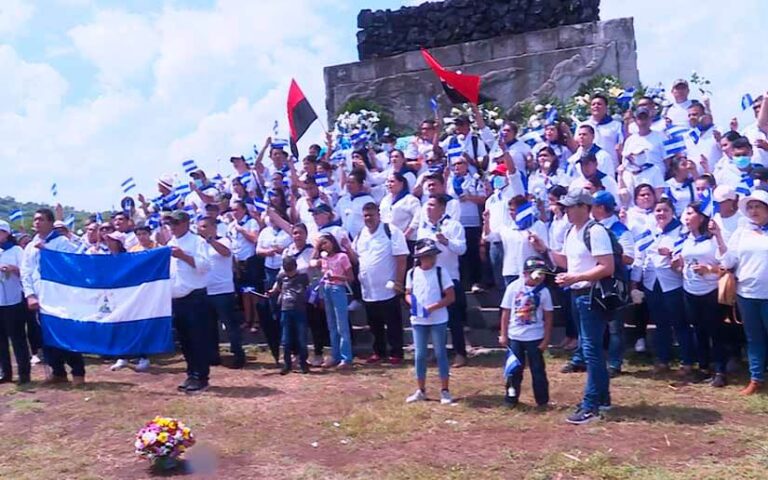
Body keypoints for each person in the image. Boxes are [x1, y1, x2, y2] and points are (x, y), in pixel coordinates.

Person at [530, 188, 614, 425]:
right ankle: (602, 398)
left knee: (591, 350)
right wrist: (544, 250)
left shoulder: (595, 231)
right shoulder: (572, 231)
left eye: (569, 206)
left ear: (583, 207)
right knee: (591, 349)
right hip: (578, 294)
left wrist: (575, 279)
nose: (565, 209)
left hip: (591, 295)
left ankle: (591, 405)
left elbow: (606, 266)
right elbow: (568, 261)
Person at [632, 197, 695, 376]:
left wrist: (671, 254)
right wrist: (634, 284)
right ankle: (662, 360)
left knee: (680, 323)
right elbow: (640, 257)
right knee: (660, 324)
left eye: (665, 210)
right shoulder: (649, 232)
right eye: (658, 210)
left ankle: (687, 362)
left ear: (672, 212)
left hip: (673, 283)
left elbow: (685, 254)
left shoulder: (682, 231)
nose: (661, 214)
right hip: (652, 284)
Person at [714, 189, 768, 395]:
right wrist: (719, 238)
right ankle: (756, 378)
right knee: (754, 338)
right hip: (747, 293)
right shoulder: (742, 232)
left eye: (759, 207)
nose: (754, 211)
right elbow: (729, 260)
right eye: (751, 207)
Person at [20, 208, 83, 385]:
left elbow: (72, 263)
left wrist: (47, 251)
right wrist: (30, 295)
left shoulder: (62, 242)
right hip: (40, 297)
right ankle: (58, 372)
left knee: (64, 334)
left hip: (59, 297)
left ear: (50, 222)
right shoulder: (31, 245)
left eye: (41, 219)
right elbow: (26, 272)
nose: (37, 223)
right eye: (35, 219)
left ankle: (78, 371)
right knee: (46, 336)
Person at [349, 203, 409, 364]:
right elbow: (356, 259)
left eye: (371, 215)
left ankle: (396, 352)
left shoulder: (391, 231)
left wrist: (399, 282)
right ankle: (378, 352)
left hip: (388, 288)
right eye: (365, 215)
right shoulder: (361, 234)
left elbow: (401, 258)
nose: (368, 218)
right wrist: (346, 248)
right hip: (368, 289)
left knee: (393, 322)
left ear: (379, 214)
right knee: (374, 324)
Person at [676, 201, 726, 387]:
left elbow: (725, 266)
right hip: (690, 289)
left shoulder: (712, 240)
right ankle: (703, 367)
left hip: (710, 290)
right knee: (698, 330)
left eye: (690, 213)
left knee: (715, 330)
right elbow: (685, 261)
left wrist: (709, 269)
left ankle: (720, 369)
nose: (687, 218)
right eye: (686, 214)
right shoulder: (686, 238)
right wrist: (679, 265)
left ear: (701, 217)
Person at [416, 195, 468, 367]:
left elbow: (461, 249)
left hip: (450, 277)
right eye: (427, 205)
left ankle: (460, 353)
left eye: (432, 205)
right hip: (430, 278)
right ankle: (438, 350)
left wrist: (446, 241)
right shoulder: (424, 228)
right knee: (434, 316)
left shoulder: (453, 225)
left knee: (454, 318)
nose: (428, 208)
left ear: (442, 208)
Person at [404, 239, 456, 404]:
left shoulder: (441, 272)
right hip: (418, 320)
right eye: (427, 256)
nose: (431, 259)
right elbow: (407, 293)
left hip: (439, 319)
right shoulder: (412, 273)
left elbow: (450, 297)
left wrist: (432, 308)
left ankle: (445, 390)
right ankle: (421, 390)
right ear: (420, 257)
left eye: (433, 255)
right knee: (419, 355)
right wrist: (413, 304)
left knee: (440, 353)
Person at [499, 256, 553, 408]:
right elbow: (506, 312)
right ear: (525, 273)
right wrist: (503, 334)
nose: (540, 277)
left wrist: (546, 340)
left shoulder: (544, 292)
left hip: (535, 337)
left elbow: (548, 316)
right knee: (514, 370)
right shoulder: (513, 288)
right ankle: (511, 398)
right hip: (515, 336)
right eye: (536, 273)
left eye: (542, 274)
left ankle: (542, 401)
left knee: (538, 370)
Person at [590, 191, 634, 377]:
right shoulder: (592, 228)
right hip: (596, 280)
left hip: (615, 282)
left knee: (616, 326)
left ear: (601, 207)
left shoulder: (620, 230)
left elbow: (629, 258)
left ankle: (615, 363)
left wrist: (610, 253)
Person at [166, 211, 211, 393]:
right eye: (171, 224)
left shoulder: (197, 241)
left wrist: (184, 256)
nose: (173, 227)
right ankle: (191, 373)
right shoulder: (170, 243)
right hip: (177, 297)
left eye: (176, 223)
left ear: (186, 223)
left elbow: (205, 266)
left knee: (197, 338)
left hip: (194, 296)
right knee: (184, 339)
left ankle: (201, 376)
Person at [198, 217, 244, 369]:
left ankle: (238, 355)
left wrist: (211, 241)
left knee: (230, 325)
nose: (201, 229)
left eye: (204, 226)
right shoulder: (199, 245)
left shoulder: (224, 240)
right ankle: (213, 356)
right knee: (209, 327)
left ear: (213, 227)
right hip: (206, 291)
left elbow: (225, 253)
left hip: (223, 291)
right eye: (200, 227)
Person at [313, 233, 354, 369]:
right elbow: (311, 262)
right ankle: (335, 355)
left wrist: (337, 277)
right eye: (322, 244)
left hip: (338, 288)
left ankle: (346, 357)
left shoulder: (342, 257)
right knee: (331, 324)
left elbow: (350, 277)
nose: (324, 246)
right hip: (326, 288)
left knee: (341, 324)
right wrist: (317, 248)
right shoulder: (324, 258)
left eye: (326, 243)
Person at [446, 154, 486, 292]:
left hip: (471, 221)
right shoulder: (449, 181)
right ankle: (461, 282)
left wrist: (470, 197)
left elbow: (483, 198)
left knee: (472, 252)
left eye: (459, 164)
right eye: (454, 165)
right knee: (457, 253)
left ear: (466, 165)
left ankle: (476, 282)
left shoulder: (474, 180)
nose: (456, 167)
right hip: (455, 221)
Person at [0, 221, 30, 385]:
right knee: (1, 340)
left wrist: (13, 268)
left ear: (6, 233)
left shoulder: (17, 250)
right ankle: (5, 372)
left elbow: (26, 272)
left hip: (14, 299)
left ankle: (24, 373)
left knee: (17, 338)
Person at [269, 256, 310, 375]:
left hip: (300, 310)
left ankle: (303, 363)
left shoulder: (303, 277)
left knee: (302, 339)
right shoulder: (282, 276)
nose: (289, 273)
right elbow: (276, 288)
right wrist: (272, 292)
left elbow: (308, 289)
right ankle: (287, 364)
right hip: (285, 309)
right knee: (285, 339)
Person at [228, 200, 261, 334]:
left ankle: (257, 321)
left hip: (251, 260)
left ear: (243, 209)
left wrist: (242, 230)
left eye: (236, 209)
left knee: (253, 292)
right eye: (232, 210)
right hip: (238, 262)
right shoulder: (231, 225)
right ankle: (248, 320)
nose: (234, 213)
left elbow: (254, 239)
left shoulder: (251, 222)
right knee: (244, 293)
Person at [581, 93, 624, 169]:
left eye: (599, 104)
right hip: (588, 169)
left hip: (610, 168)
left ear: (606, 107)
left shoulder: (616, 125)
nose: (596, 106)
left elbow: (620, 148)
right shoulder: (582, 125)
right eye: (593, 104)